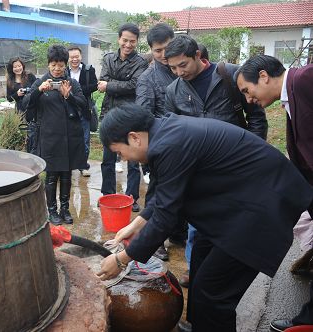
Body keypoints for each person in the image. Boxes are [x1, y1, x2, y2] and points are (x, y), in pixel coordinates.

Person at [97, 104, 313, 332]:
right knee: (200, 265)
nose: (124, 159)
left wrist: (123, 258)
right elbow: (164, 194)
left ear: (134, 138)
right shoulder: (166, 133)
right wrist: (136, 223)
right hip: (240, 202)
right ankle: (201, 325)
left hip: (262, 209)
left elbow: (166, 216)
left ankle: (210, 324)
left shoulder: (170, 144)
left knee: (214, 293)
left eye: (120, 152)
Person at [163, 34, 269, 290]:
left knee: (234, 221)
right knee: (198, 224)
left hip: (236, 165)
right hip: (200, 170)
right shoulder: (173, 91)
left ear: (198, 56)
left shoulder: (231, 76)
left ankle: (224, 272)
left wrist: (252, 157)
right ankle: (195, 268)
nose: (178, 72)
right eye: (173, 67)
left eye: (183, 65)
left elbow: (256, 116)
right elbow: (172, 131)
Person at [236, 55, 313, 332]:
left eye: (247, 90)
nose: (248, 99)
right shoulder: (290, 96)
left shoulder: (305, 79)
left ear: (264, 76)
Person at [22, 45, 86, 225]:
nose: (57, 69)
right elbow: (27, 104)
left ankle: (65, 209)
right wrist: (39, 91)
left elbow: (83, 104)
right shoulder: (41, 82)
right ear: (48, 64)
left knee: (67, 174)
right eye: (53, 65)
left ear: (65, 65)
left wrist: (69, 96)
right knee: (52, 176)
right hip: (49, 137)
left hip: (70, 136)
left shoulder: (71, 83)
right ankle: (52, 210)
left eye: (60, 65)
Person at [135, 23, 177, 262]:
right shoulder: (147, 79)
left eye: (167, 48)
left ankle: (178, 232)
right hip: (162, 144)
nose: (163, 55)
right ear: (151, 50)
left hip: (187, 143)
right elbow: (143, 117)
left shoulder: (183, 68)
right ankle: (154, 241)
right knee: (157, 195)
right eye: (158, 50)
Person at [98, 23, 148, 212]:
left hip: (130, 118)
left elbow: (135, 85)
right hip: (109, 115)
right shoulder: (109, 58)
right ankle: (107, 194)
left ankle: (132, 197)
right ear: (119, 39)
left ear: (136, 42)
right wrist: (117, 84)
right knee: (107, 159)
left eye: (132, 41)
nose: (128, 44)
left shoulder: (140, 62)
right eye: (125, 40)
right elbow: (102, 80)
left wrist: (110, 85)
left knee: (133, 161)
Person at [67, 46, 98, 177]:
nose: (74, 59)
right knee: (68, 138)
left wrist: (76, 92)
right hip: (67, 109)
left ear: (81, 56)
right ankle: (68, 165)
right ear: (68, 58)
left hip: (84, 109)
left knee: (84, 139)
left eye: (77, 56)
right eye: (72, 57)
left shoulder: (88, 69)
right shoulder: (63, 71)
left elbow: (94, 85)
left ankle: (83, 165)